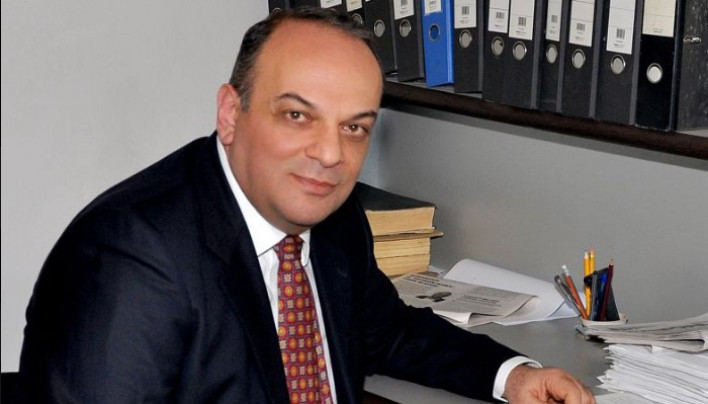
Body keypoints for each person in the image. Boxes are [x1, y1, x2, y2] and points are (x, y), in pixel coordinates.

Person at [18, 7, 595, 404]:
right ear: (231, 113)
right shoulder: (129, 256)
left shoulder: (331, 217)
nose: (330, 154)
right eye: (298, 115)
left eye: (354, 127)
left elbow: (387, 332)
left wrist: (513, 376)